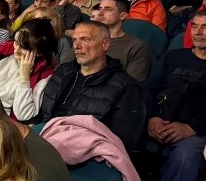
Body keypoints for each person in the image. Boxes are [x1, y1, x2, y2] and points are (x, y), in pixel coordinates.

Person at [146, 11, 206, 181]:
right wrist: (152, 117)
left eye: (205, 27)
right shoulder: (173, 57)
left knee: (184, 157)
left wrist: (191, 128)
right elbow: (149, 89)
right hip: (159, 121)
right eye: (195, 26)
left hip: (197, 131)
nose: (199, 32)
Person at [37, 21, 144, 150]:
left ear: (105, 44)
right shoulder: (63, 71)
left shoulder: (126, 86)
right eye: (74, 40)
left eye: (85, 39)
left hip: (84, 152)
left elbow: (121, 141)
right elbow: (42, 114)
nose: (76, 46)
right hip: (44, 139)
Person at [94, 0, 151, 83]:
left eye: (108, 9)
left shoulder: (136, 47)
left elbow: (132, 84)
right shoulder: (84, 39)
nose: (100, 13)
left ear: (122, 16)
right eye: (100, 8)